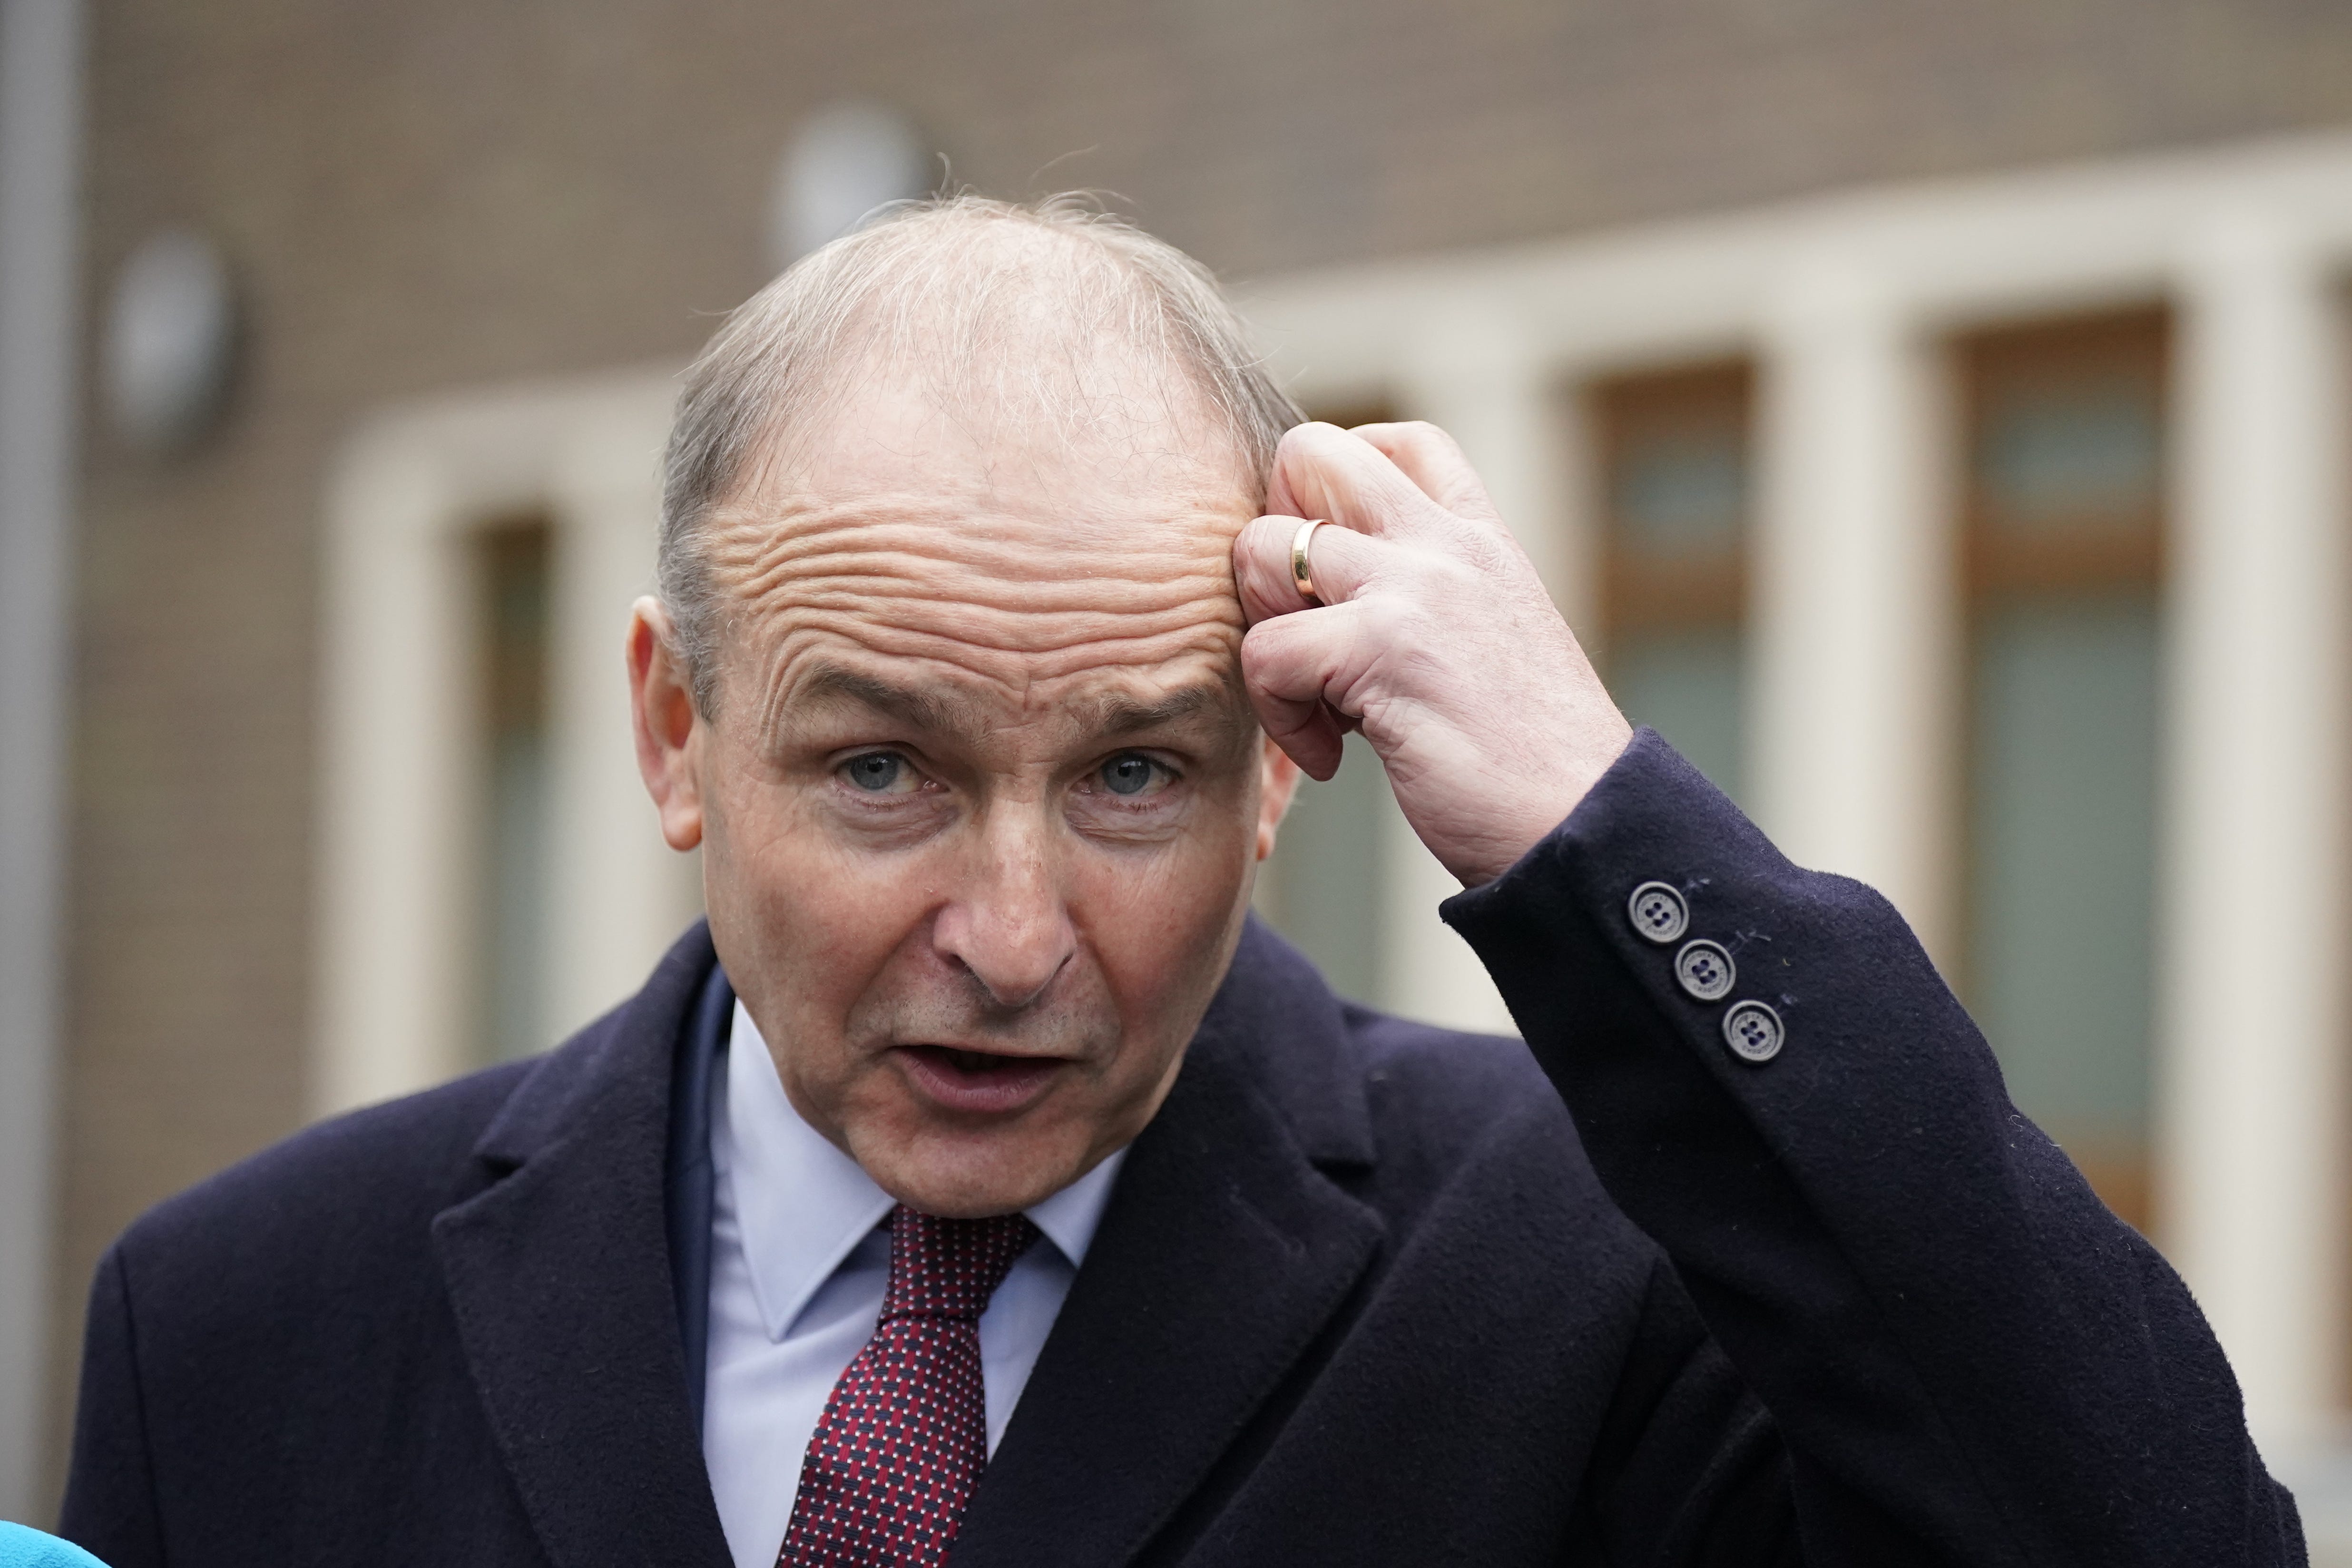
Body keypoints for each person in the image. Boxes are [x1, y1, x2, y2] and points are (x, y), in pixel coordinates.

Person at [60, 196, 2300, 1568]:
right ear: (671, 729)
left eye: (1134, 768)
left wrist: (1610, 832)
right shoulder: (246, 1325)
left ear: (1277, 768)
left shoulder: (1583, 1282)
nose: (1017, 937)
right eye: (881, 769)